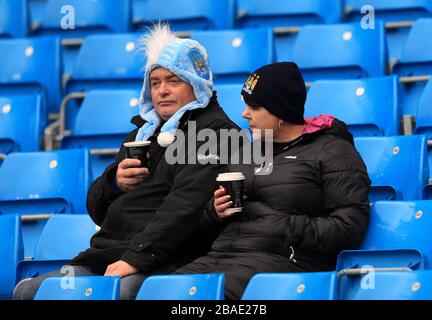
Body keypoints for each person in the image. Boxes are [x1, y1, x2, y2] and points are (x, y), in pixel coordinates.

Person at [13, 24, 239, 300]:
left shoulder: (216, 133)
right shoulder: (142, 133)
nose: (162, 91)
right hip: (107, 254)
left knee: (122, 292)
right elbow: (96, 209)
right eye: (155, 83)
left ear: (197, 83)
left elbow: (186, 207)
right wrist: (114, 183)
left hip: (170, 257)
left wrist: (137, 258)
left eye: (173, 80)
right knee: (28, 291)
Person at [175, 62, 371, 300]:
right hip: (219, 258)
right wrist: (214, 212)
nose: (244, 114)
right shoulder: (246, 152)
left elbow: (349, 228)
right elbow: (205, 226)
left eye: (254, 107)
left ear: (281, 111)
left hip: (283, 265)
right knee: (160, 293)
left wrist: (285, 226)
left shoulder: (333, 151)